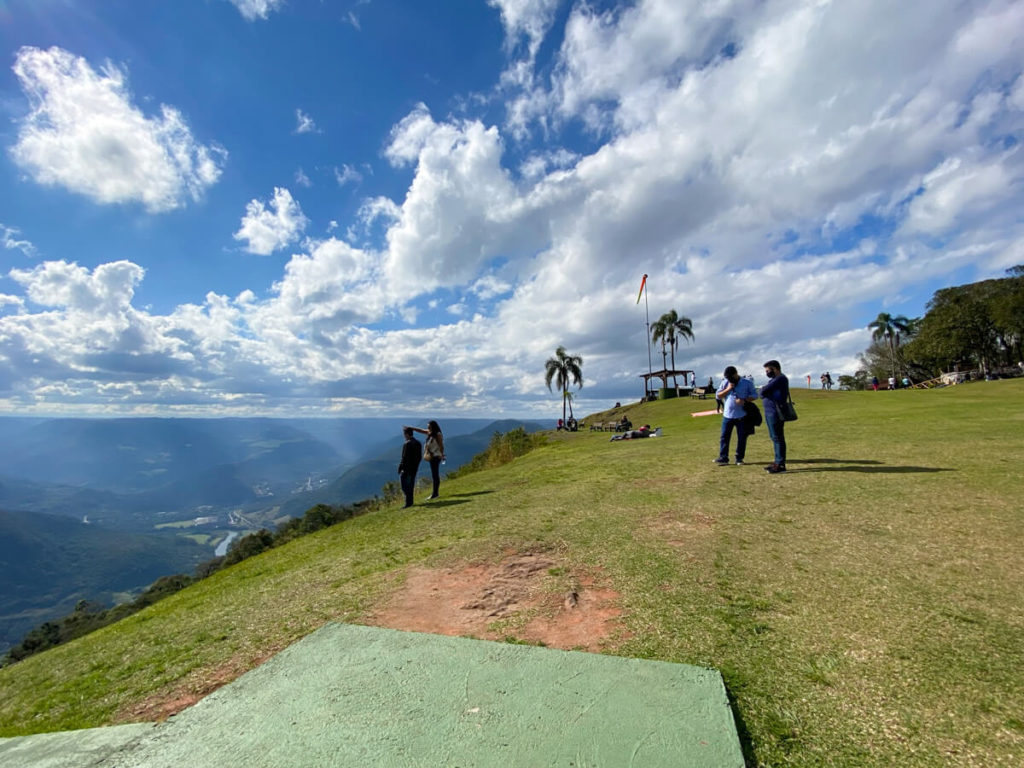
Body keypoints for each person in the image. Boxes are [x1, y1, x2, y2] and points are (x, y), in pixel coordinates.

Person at [714, 366, 757, 466]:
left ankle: (739, 458)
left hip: (741, 415)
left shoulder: (747, 383)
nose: (729, 379)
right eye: (727, 378)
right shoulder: (725, 382)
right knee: (724, 437)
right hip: (727, 415)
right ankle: (723, 457)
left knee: (742, 437)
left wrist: (745, 400)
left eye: (730, 377)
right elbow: (718, 395)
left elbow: (755, 395)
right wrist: (728, 388)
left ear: (735, 374)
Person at [760, 360, 790, 474]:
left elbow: (763, 391)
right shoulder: (773, 380)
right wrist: (763, 391)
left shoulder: (780, 379)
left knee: (777, 438)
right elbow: (762, 392)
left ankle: (780, 464)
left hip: (775, 413)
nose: (767, 372)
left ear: (775, 369)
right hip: (770, 412)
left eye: (768, 370)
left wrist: (763, 390)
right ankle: (777, 462)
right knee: (775, 437)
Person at [407, 421, 445, 500]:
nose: (428, 428)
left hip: (435, 456)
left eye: (429, 426)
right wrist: (412, 428)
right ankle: (435, 493)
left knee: (435, 475)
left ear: (433, 427)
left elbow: (441, 445)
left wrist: (442, 455)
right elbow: (421, 430)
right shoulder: (430, 433)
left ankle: (435, 494)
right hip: (432, 456)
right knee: (434, 475)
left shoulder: (437, 434)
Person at [397, 426, 422, 508]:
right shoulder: (418, 443)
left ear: (406, 434)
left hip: (407, 468)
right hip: (414, 468)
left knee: (404, 485)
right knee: (411, 485)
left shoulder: (407, 444)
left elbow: (404, 457)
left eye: (404, 434)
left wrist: (400, 467)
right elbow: (419, 457)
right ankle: (410, 502)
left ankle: (408, 502)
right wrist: (416, 466)